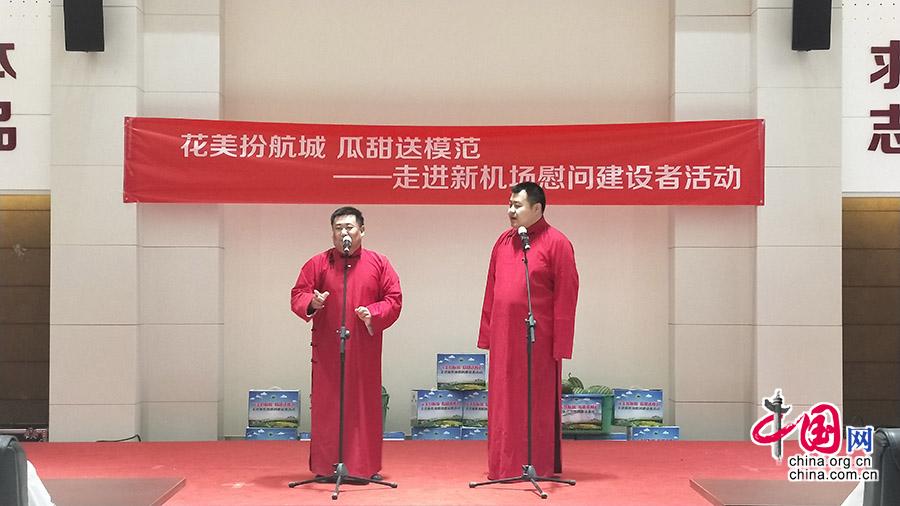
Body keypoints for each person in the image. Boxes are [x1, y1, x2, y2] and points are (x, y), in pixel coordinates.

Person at [291, 206, 402, 481]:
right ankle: (327, 467)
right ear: (332, 233)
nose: (344, 233)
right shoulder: (318, 263)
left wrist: (372, 313)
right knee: (328, 408)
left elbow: (394, 299)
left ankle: (363, 467)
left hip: (363, 350)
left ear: (362, 230)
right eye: (338, 228)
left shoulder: (379, 263)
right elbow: (298, 294)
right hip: (328, 350)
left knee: (363, 407)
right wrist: (312, 303)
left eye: (349, 227)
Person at [477, 182, 579, 479]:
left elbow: (567, 294)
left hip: (539, 341)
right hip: (504, 339)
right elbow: (491, 290)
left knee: (535, 405)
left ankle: (538, 465)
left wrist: (560, 345)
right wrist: (488, 335)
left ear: (537, 208)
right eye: (509, 204)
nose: (510, 210)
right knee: (504, 404)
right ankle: (504, 465)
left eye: (517, 205)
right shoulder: (503, 241)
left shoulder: (557, 243)